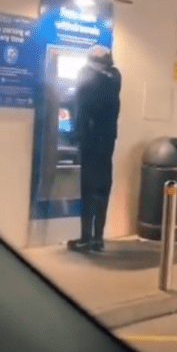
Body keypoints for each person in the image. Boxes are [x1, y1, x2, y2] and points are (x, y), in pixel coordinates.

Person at [67, 45, 121, 253]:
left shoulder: (87, 76)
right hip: (107, 142)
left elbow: (79, 107)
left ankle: (85, 238)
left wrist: (75, 135)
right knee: (103, 188)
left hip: (90, 141)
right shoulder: (115, 77)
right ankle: (98, 239)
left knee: (88, 189)